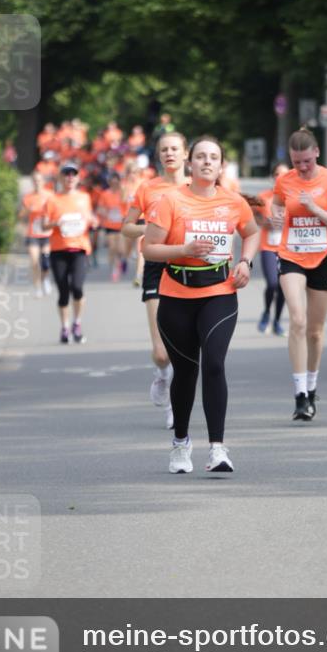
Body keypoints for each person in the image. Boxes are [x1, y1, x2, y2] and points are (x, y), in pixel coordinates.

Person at [143, 136, 259, 474]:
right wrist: (183, 250)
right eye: (201, 157)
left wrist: (246, 263)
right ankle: (180, 444)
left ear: (221, 166)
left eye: (214, 157)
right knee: (186, 372)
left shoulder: (234, 202)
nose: (207, 162)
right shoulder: (170, 201)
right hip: (177, 294)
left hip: (220, 292)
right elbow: (149, 249)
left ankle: (218, 449)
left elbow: (251, 233)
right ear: (189, 164)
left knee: (214, 364)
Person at [272, 129, 327, 421]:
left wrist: (314, 208)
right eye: (296, 162)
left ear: (316, 152)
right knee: (298, 320)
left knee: (315, 331)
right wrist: (276, 214)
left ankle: (313, 386)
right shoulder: (285, 180)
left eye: (306, 161)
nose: (301, 168)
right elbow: (277, 204)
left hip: (323, 257)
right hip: (292, 255)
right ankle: (300, 395)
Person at [121, 132, 189, 430]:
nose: (170, 154)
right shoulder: (147, 188)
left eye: (175, 149)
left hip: (189, 267)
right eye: (164, 150)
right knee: (161, 351)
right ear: (159, 156)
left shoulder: (196, 187)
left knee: (183, 345)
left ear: (186, 153)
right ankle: (162, 375)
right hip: (155, 265)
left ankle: (176, 407)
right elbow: (125, 227)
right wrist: (149, 228)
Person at [42, 163, 99, 344]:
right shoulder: (52, 200)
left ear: (78, 178)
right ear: (60, 178)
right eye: (66, 174)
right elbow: (44, 224)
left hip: (80, 249)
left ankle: (77, 323)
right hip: (58, 249)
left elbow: (90, 218)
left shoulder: (84, 197)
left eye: (73, 174)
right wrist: (57, 223)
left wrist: (94, 221)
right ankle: (65, 327)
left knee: (77, 287)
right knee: (63, 292)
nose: (70, 178)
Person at [254, 162, 289, 336]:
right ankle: (267, 312)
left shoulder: (294, 198)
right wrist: (267, 223)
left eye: (285, 174)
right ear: (272, 177)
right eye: (277, 174)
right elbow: (253, 215)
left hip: (288, 249)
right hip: (268, 247)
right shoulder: (264, 197)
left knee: (283, 286)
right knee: (273, 283)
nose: (280, 178)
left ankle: (277, 321)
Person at [19, 172, 53, 297]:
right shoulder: (28, 197)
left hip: (47, 234)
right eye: (35, 180)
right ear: (32, 182)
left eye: (39, 180)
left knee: (46, 261)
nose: (37, 183)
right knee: (34, 261)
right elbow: (21, 216)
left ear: (43, 182)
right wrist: (28, 210)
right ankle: (37, 287)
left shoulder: (50, 195)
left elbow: (56, 212)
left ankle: (45, 279)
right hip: (33, 234)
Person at [96, 173, 126, 281]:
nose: (114, 183)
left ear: (119, 181)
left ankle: (122, 260)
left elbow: (129, 206)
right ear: (109, 182)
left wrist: (123, 214)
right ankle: (114, 268)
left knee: (121, 249)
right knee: (112, 248)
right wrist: (106, 212)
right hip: (109, 224)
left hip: (122, 224)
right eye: (112, 181)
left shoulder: (123, 193)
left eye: (116, 181)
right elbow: (99, 208)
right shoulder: (105, 194)